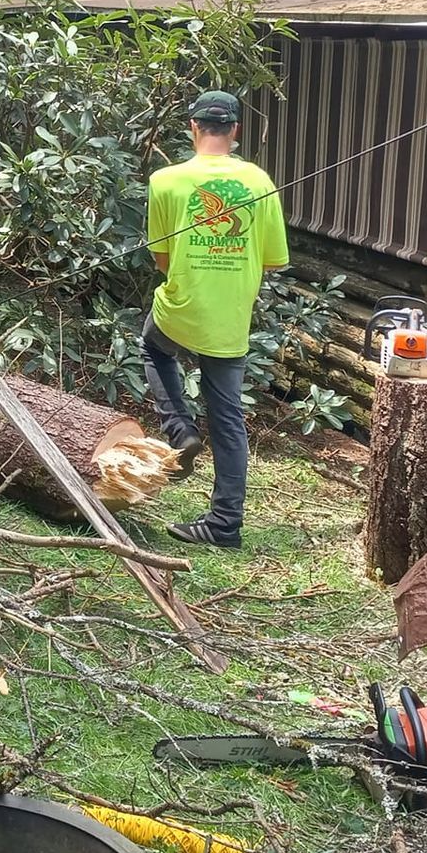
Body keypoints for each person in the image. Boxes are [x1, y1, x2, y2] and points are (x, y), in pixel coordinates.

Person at [142, 89, 288, 548]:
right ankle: (225, 524)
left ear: (193, 127)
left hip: (182, 307)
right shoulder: (260, 181)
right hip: (230, 319)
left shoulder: (165, 180)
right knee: (226, 417)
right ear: (236, 131)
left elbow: (162, 258)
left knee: (153, 347)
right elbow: (271, 261)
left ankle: (180, 430)